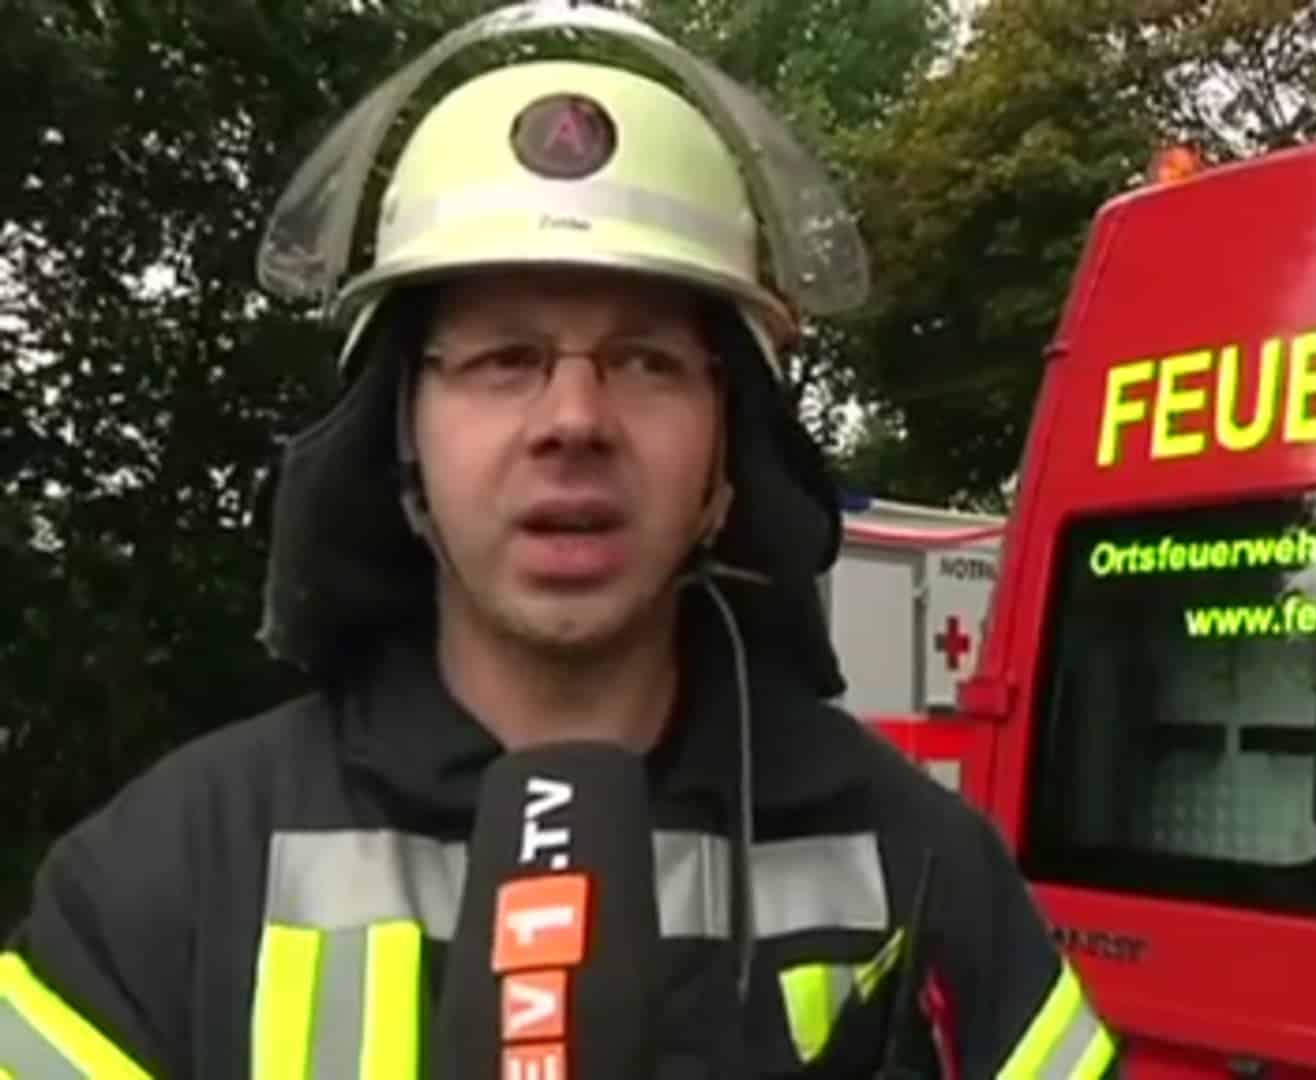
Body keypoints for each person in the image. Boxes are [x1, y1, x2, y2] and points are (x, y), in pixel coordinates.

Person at [0, 5, 1118, 1077]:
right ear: (402, 442)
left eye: (646, 361)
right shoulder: (157, 888)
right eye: (503, 359)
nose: (574, 421)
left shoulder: (930, 875)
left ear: (728, 463)